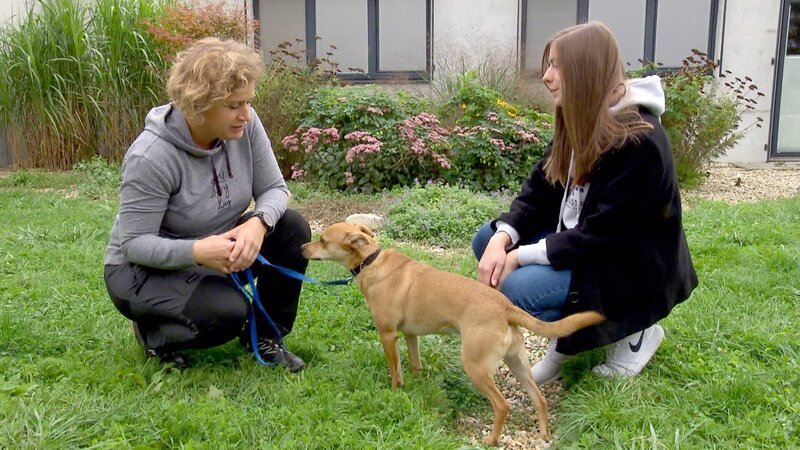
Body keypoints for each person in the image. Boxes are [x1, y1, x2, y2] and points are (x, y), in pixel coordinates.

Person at [473, 22, 697, 383]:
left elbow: (603, 236)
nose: (546, 76)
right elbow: (538, 191)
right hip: (590, 248)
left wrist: (518, 256)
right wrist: (504, 239)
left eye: (557, 65)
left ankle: (633, 331)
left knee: (517, 286)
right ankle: (570, 334)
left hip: (630, 270)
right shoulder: (581, 119)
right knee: (486, 241)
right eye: (548, 64)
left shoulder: (640, 140)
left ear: (587, 69)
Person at [103, 38, 311, 372]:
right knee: (225, 315)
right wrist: (197, 252)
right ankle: (154, 334)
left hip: (213, 250)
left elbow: (275, 189)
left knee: (291, 228)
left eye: (247, 102)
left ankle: (265, 337)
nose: (246, 114)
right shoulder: (151, 157)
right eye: (233, 105)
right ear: (197, 105)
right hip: (142, 273)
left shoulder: (247, 124)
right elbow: (133, 244)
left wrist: (258, 223)